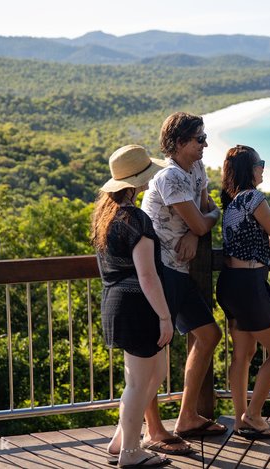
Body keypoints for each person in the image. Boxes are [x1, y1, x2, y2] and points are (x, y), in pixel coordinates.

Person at [141, 112, 227, 439]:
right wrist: (203, 223)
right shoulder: (170, 178)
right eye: (199, 139)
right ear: (179, 143)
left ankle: (187, 416)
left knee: (209, 335)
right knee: (152, 348)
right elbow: (203, 218)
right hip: (160, 270)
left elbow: (203, 214)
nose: (205, 144)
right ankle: (153, 429)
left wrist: (197, 229)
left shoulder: (197, 168)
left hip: (179, 270)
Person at [92, 144, 174, 468]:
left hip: (116, 303)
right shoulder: (136, 219)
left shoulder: (106, 216)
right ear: (137, 182)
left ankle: (119, 440)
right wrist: (165, 316)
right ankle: (130, 453)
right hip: (138, 305)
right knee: (139, 383)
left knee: (155, 373)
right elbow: (147, 275)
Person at [216, 145, 270, 439]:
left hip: (230, 284)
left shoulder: (232, 203)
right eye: (261, 163)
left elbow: (252, 242)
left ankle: (241, 420)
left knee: (243, 354)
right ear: (251, 169)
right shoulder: (253, 198)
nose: (263, 168)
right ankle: (252, 415)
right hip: (250, 286)